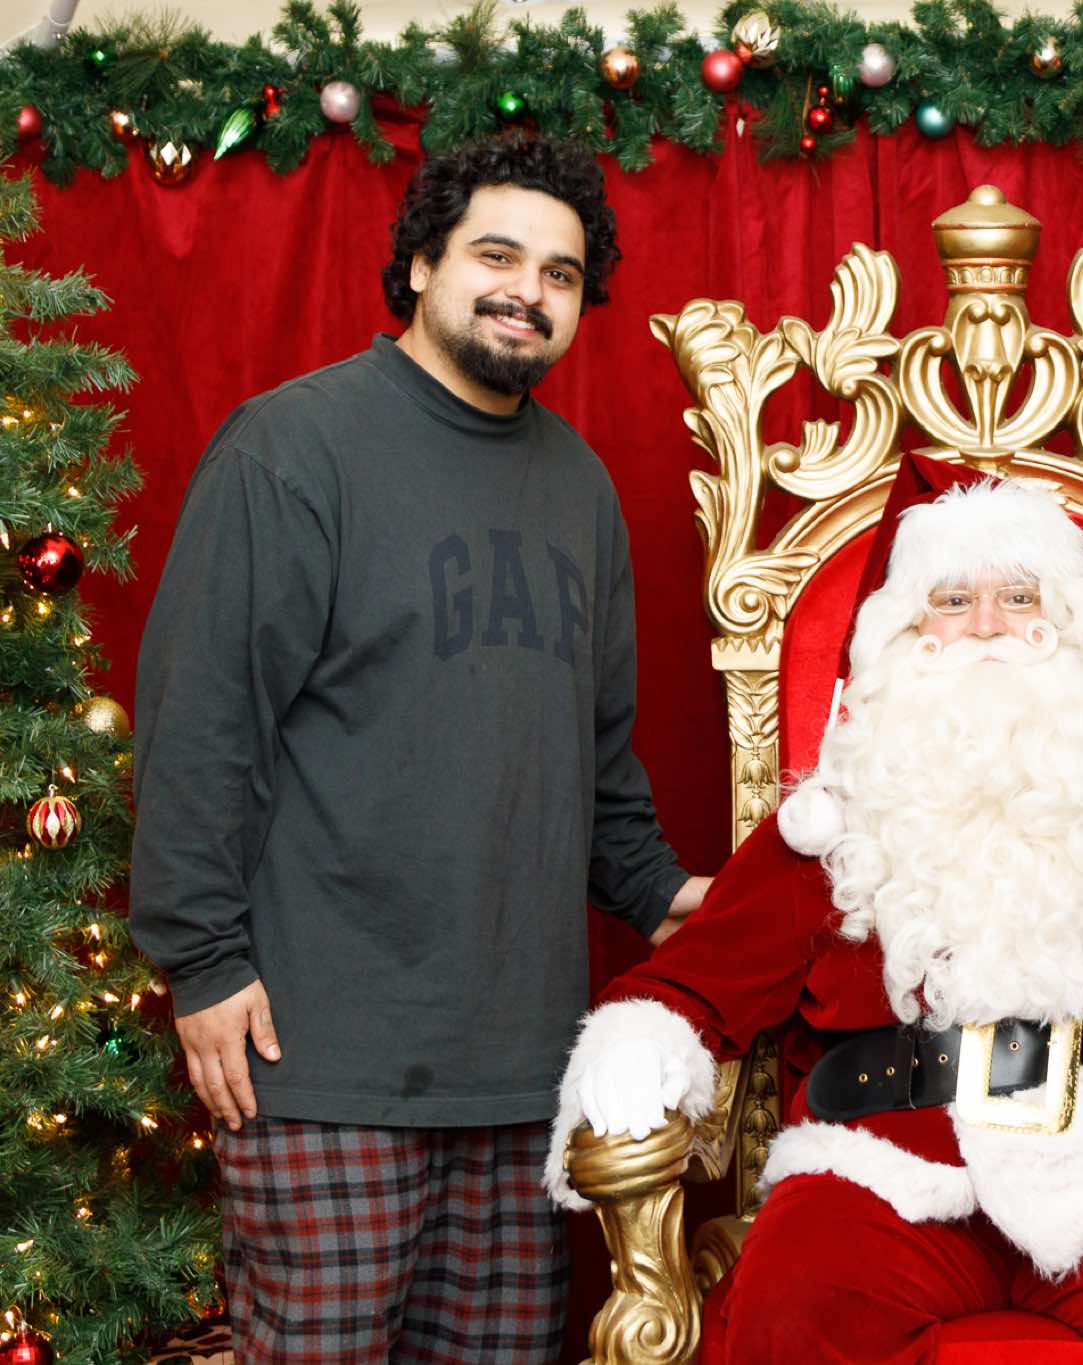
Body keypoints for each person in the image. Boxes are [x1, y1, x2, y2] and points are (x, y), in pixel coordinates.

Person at [129, 133, 708, 1364]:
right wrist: (202, 961)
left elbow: (599, 770)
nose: (526, 292)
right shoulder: (293, 448)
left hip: (518, 1073)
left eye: (559, 275)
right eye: (496, 256)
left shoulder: (579, 490)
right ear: (418, 266)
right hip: (322, 1057)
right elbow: (202, 723)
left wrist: (673, 897)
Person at [551, 469, 1083, 1365]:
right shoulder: (837, 813)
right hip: (887, 1169)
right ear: (905, 632)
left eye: (1018, 596)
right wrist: (640, 1041)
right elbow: (694, 976)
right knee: (794, 1298)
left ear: (1068, 620)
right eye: (952, 600)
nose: (986, 624)